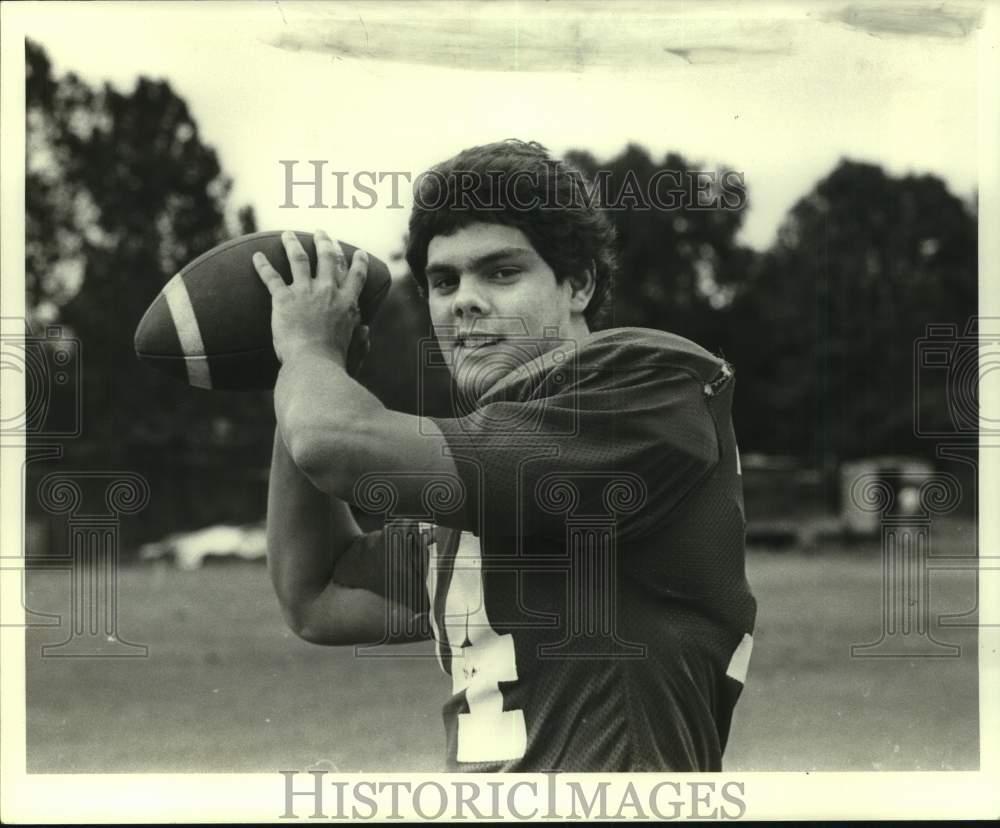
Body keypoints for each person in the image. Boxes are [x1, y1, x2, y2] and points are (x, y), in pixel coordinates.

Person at [253, 140, 756, 772]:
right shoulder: (484, 483)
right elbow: (317, 595)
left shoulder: (643, 385)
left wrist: (308, 356)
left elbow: (333, 444)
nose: (463, 300)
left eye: (501, 272)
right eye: (444, 281)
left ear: (579, 284)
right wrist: (303, 375)